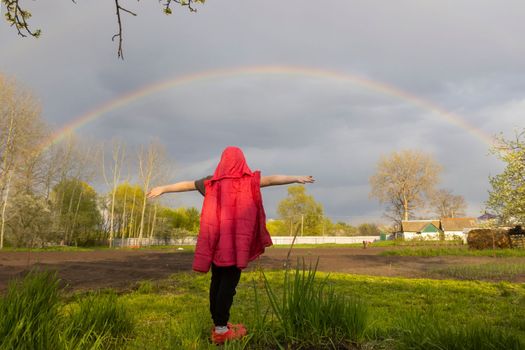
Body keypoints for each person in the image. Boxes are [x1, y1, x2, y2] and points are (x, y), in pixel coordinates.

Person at [146, 146, 314, 344]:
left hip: (217, 245)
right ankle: (221, 330)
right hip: (236, 248)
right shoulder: (249, 180)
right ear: (242, 161)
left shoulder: (212, 182)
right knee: (228, 286)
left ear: (222, 161)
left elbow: (187, 185)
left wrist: (163, 189)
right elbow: (272, 179)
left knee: (216, 282)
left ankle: (219, 324)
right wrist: (296, 177)